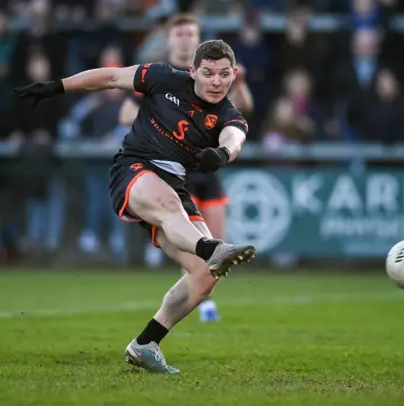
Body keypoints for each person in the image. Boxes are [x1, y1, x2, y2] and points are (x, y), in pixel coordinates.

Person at [14, 39, 256, 373]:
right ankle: (211, 247)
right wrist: (58, 86)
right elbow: (111, 77)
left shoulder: (228, 114)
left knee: (204, 276)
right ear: (192, 72)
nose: (216, 81)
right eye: (209, 73)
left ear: (233, 75)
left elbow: (235, 137)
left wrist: (222, 153)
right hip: (134, 168)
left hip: (175, 185)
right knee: (176, 212)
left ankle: (146, 343)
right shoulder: (163, 77)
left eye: (224, 74)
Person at [119, 14, 253, 321]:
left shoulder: (215, 71)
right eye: (178, 34)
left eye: (190, 34)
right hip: (169, 168)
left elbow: (242, 114)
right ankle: (199, 300)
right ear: (168, 40)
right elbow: (125, 112)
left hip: (206, 163)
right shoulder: (161, 75)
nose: (184, 39)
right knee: (192, 235)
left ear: (198, 38)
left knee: (217, 241)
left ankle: (203, 294)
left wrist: (240, 84)